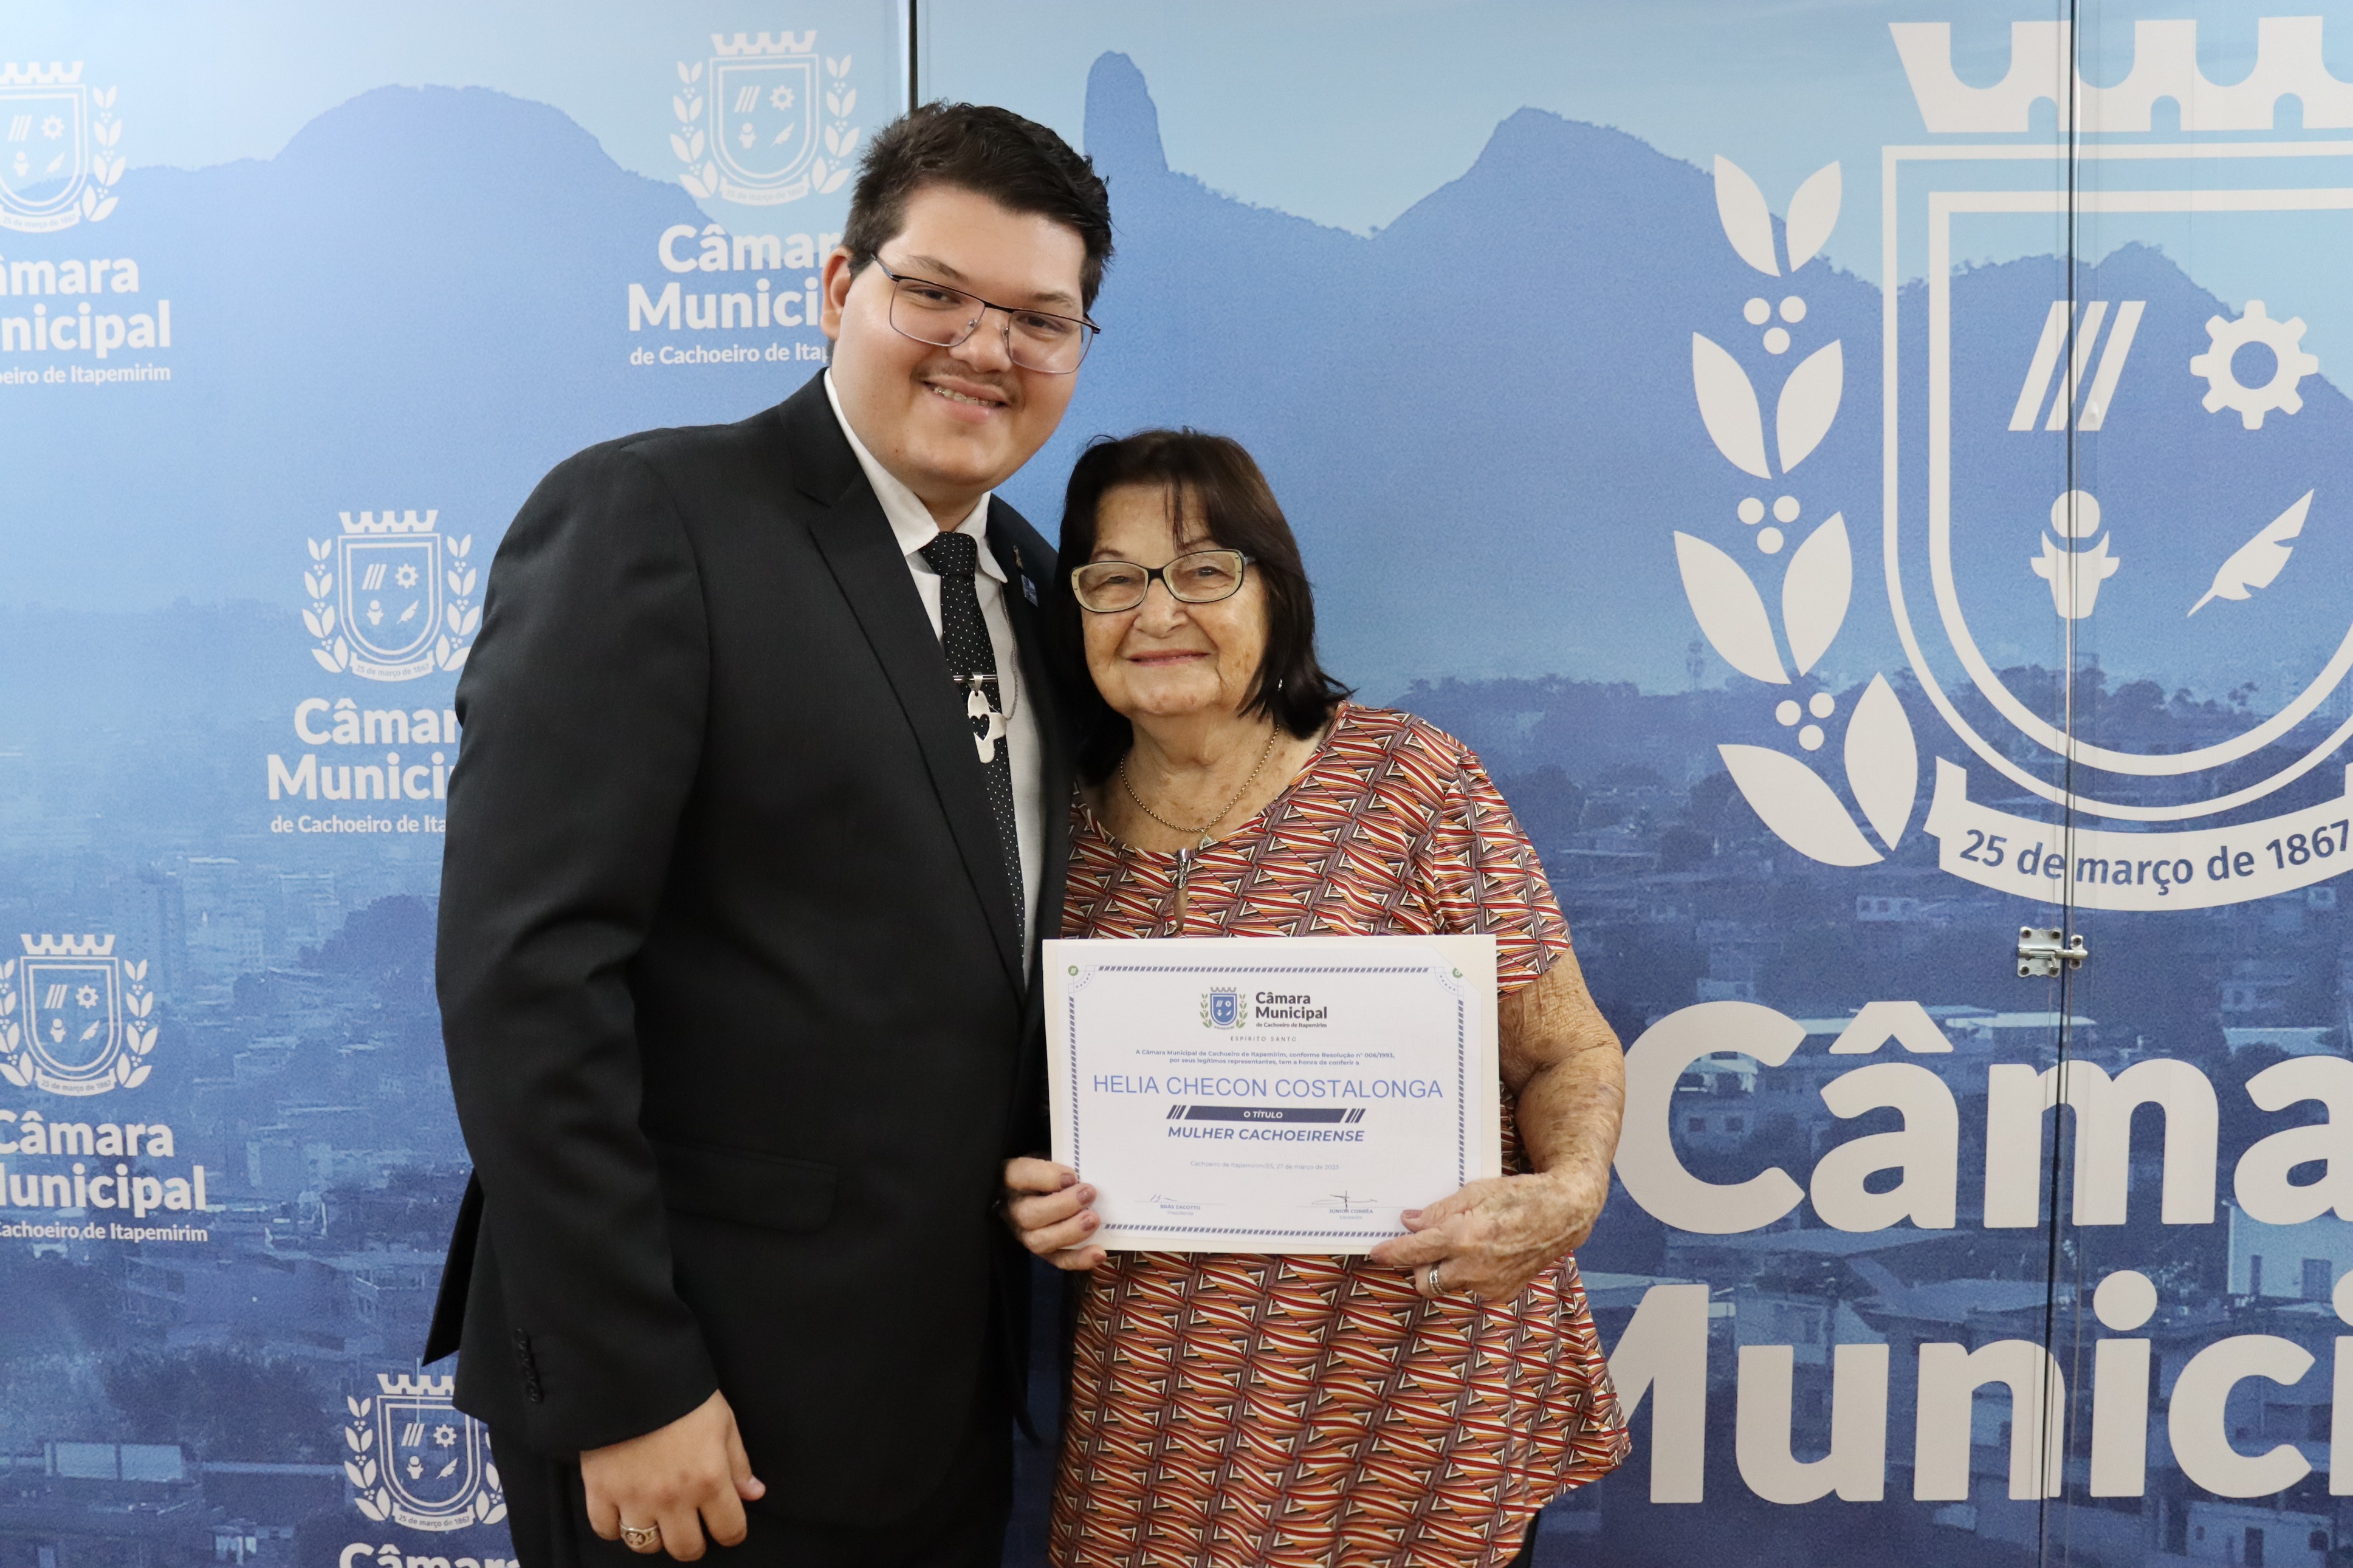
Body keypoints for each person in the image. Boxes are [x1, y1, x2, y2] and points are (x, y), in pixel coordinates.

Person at [424, 103, 1111, 1567]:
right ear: (839, 286)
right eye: (936, 293)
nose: (985, 348)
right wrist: (629, 1383)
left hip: (939, 1406)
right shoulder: (652, 517)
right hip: (695, 1411)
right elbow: (526, 977)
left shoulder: (1042, 593)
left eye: (1039, 319)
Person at [1004, 431, 1630, 1568]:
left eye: (1203, 570)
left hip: (1422, 1404)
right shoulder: (1050, 837)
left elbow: (1566, 1052)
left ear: (1276, 594)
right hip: (1169, 1423)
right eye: (1114, 579)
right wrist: (1034, 1199)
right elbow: (1024, 1114)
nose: (1157, 612)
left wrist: (1571, 1193)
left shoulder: (1412, 783)